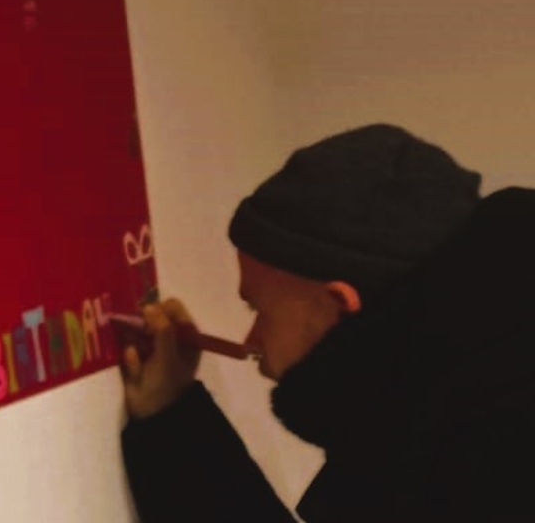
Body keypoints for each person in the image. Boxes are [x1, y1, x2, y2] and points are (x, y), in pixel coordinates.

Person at [118, 123, 535, 522]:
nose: (252, 340)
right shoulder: (459, 405)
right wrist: (170, 417)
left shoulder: (491, 457)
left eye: (259, 310)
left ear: (337, 305)